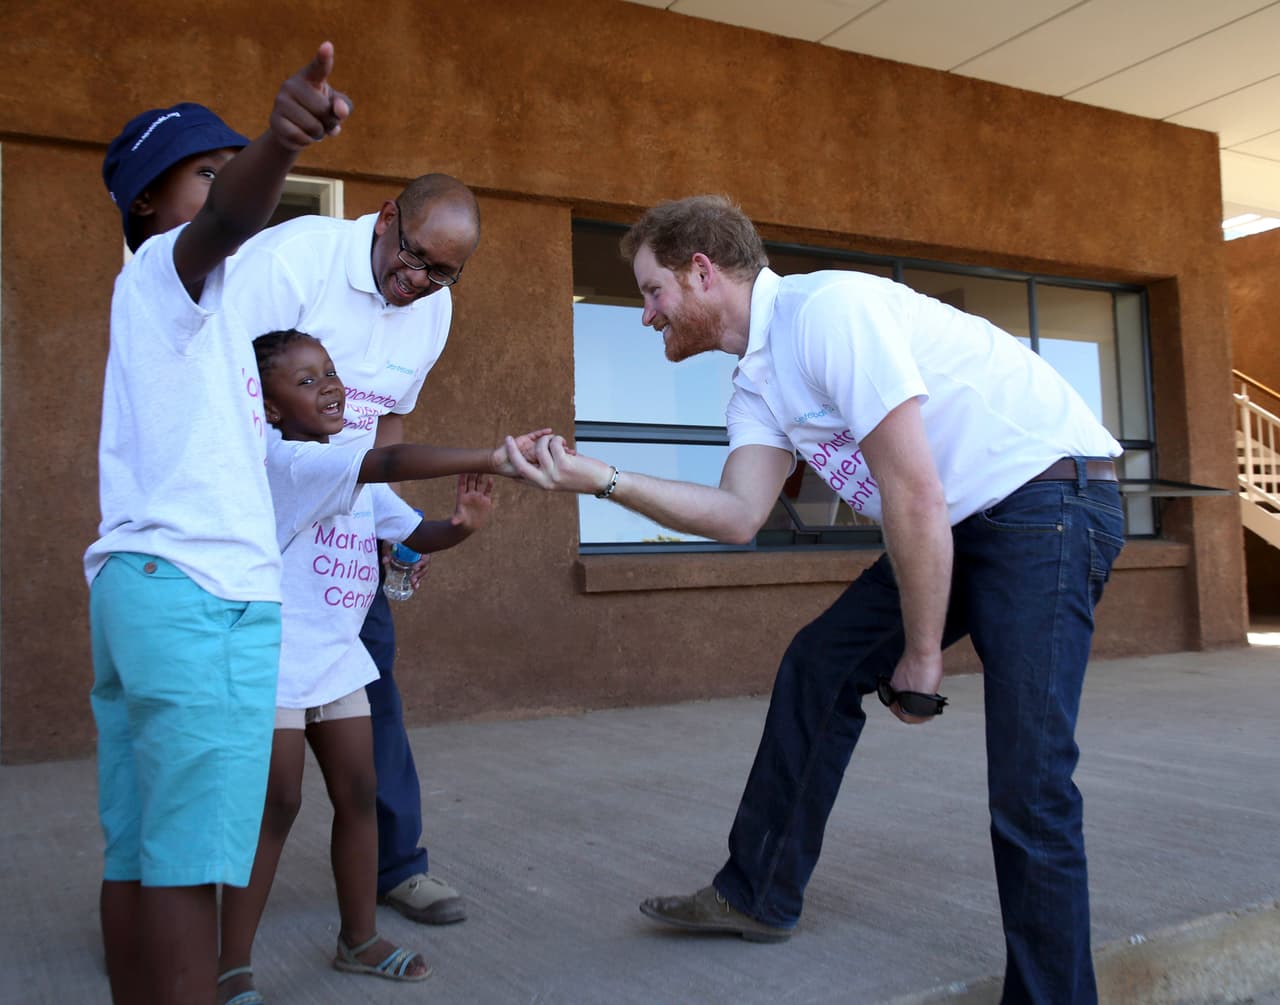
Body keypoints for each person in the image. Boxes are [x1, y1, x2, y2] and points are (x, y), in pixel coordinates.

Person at [508, 195, 1126, 1005]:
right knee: (819, 663)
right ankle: (756, 892)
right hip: (961, 521)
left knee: (1029, 777)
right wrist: (598, 477)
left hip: (1047, 505)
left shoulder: (827, 312)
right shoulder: (759, 381)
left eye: (653, 289)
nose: (646, 312)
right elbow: (736, 515)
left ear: (701, 271)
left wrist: (922, 653)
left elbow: (911, 491)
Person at [86, 46, 350, 1005]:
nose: (232, 184)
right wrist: (283, 137)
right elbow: (233, 216)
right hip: (200, 595)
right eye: (208, 168)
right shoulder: (166, 268)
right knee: (194, 865)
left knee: (143, 846)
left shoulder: (207, 320)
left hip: (143, 589)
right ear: (149, 203)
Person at [217, 330, 547, 1003]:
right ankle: (230, 965)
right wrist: (493, 455)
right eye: (306, 381)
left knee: (360, 795)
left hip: (338, 657)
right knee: (276, 805)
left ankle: (359, 938)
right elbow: (387, 458)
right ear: (271, 408)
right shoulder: (283, 460)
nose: (330, 386)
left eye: (330, 372)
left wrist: (462, 525)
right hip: (274, 658)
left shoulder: (349, 461)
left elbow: (408, 531)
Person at [223, 171, 485, 925]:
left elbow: (388, 430)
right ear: (385, 218)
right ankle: (166, 898)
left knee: (372, 698)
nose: (420, 281)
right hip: (253, 543)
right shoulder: (292, 262)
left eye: (443, 272)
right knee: (243, 755)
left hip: (346, 528)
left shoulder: (431, 311)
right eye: (414, 257)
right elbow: (221, 391)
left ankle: (395, 869)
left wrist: (392, 536)